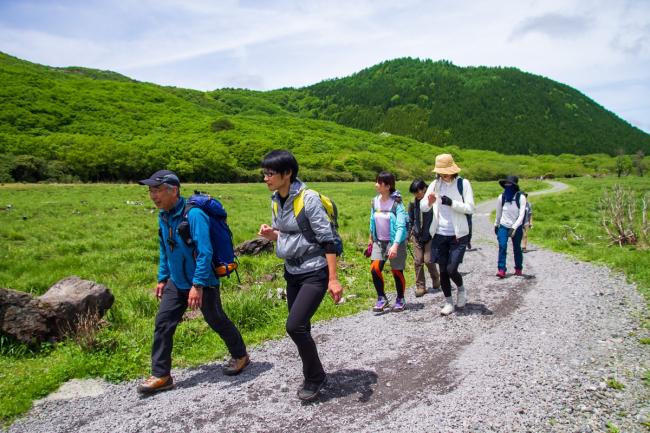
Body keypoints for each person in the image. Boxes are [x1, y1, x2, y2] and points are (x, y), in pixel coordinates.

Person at [136, 170, 249, 395]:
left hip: (203, 280)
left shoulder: (194, 214)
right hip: (176, 281)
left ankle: (240, 355)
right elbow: (165, 248)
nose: (153, 195)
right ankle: (162, 375)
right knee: (163, 323)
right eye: (151, 191)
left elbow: (205, 251)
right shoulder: (164, 215)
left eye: (157, 190)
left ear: (174, 190)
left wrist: (197, 285)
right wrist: (162, 277)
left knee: (216, 319)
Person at [257, 150, 343, 402]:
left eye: (270, 173)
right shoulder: (276, 200)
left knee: (294, 326)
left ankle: (314, 377)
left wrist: (333, 278)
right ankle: (315, 374)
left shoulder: (309, 199)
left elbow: (327, 240)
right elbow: (287, 234)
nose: (266, 178)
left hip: (315, 271)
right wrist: (271, 235)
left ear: (288, 174)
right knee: (300, 326)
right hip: (292, 271)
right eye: (264, 173)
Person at [419, 154, 474, 316]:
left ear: (453, 170)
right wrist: (428, 202)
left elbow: (470, 208)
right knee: (443, 270)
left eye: (446, 171)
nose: (444, 175)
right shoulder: (435, 185)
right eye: (441, 172)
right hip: (440, 234)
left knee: (451, 269)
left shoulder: (463, 184)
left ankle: (461, 289)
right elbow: (423, 207)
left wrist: (451, 203)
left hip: (458, 234)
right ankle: (448, 302)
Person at [368, 171, 409, 313]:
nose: (376, 185)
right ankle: (381, 298)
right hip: (379, 242)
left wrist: (396, 245)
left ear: (388, 186)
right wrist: (370, 239)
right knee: (375, 269)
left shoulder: (397, 204)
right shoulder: (374, 201)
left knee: (397, 271)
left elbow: (400, 226)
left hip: (395, 243)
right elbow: (372, 220)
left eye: (379, 183)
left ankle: (400, 299)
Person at [408, 179, 441, 297]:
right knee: (418, 261)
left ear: (424, 189)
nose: (416, 195)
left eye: (418, 192)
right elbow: (410, 219)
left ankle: (436, 278)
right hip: (417, 235)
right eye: (414, 193)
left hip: (430, 235)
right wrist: (408, 234)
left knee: (428, 260)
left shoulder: (432, 201)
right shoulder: (412, 203)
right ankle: (420, 286)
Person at [494, 175, 528, 278]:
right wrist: (496, 224)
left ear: (514, 186)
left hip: (516, 227)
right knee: (502, 246)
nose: (508, 186)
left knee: (517, 248)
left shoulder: (521, 198)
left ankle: (518, 268)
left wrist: (514, 227)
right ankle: (501, 269)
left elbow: (521, 215)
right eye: (506, 184)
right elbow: (498, 212)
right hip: (503, 225)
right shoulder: (502, 197)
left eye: (510, 184)